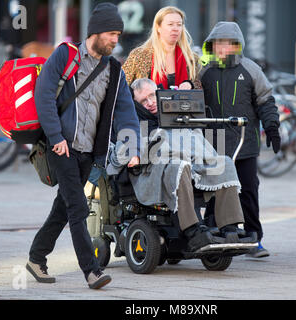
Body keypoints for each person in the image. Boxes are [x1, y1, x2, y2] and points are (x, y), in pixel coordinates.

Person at [26, 3, 141, 289]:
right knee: (78, 208)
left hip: (88, 152)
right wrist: (55, 137)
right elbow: (44, 95)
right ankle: (91, 271)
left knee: (63, 209)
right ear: (96, 31)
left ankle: (36, 258)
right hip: (60, 147)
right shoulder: (66, 55)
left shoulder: (115, 70)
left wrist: (132, 148)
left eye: (118, 34)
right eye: (112, 33)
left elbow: (126, 112)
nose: (116, 39)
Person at [110, 78, 256, 252]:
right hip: (150, 175)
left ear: (159, 93)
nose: (149, 103)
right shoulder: (134, 123)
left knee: (224, 163)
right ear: (136, 104)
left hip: (189, 164)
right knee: (179, 166)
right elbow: (118, 156)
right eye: (143, 100)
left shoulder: (177, 116)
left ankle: (230, 226)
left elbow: (196, 143)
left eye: (152, 96)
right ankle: (191, 229)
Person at [199, 22, 281, 258]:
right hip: (214, 144)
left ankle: (254, 238)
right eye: (219, 43)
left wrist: (272, 127)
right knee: (214, 189)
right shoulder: (204, 71)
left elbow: (266, 100)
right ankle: (212, 233)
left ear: (237, 46)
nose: (224, 48)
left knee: (248, 190)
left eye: (229, 43)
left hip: (245, 143)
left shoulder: (250, 69)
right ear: (212, 46)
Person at [122, 6, 200, 90]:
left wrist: (190, 85)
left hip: (182, 103)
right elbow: (121, 87)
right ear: (158, 27)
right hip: (146, 103)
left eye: (179, 25)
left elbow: (199, 89)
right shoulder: (139, 55)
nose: (175, 29)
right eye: (170, 24)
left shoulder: (191, 58)